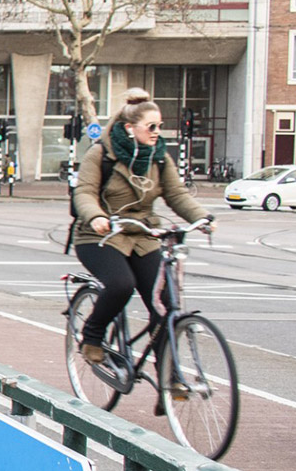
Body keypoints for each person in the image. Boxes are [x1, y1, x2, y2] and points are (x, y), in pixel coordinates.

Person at [70, 88, 212, 384]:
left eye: (160, 126)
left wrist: (200, 217)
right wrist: (96, 216)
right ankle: (92, 338)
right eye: (152, 127)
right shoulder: (102, 154)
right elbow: (84, 192)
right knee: (122, 284)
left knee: (163, 303)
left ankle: (168, 375)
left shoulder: (159, 159)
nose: (158, 133)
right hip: (100, 235)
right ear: (129, 128)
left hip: (143, 236)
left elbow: (176, 195)